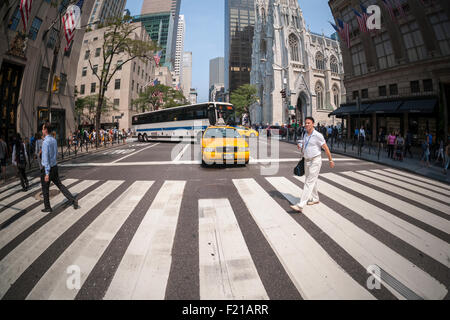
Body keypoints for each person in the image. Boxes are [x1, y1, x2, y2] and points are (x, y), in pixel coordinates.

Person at [290, 117, 335, 213]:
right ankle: (315, 198)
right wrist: (300, 146)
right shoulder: (305, 134)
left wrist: (330, 160)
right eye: (305, 123)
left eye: (308, 123)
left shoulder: (318, 135)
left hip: (315, 161)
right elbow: (305, 145)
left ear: (313, 124)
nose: (306, 125)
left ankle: (301, 204)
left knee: (309, 182)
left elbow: (326, 148)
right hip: (306, 160)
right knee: (310, 180)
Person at [40, 122, 78, 213]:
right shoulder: (54, 140)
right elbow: (56, 154)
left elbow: (45, 158)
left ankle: (47, 207)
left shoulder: (45, 142)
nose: (42, 130)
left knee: (45, 189)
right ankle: (72, 199)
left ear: (45, 130)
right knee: (60, 185)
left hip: (47, 169)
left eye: (42, 128)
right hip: (55, 167)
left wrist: (46, 173)